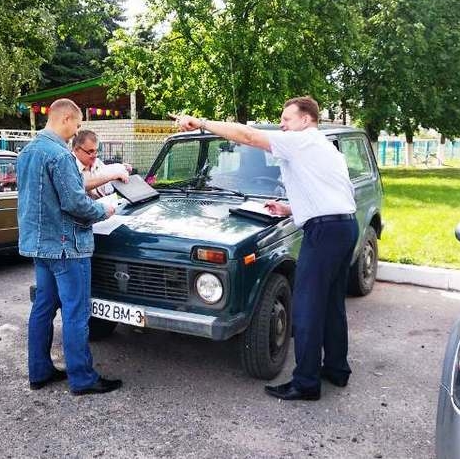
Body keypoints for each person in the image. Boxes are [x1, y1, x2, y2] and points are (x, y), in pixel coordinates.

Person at [176, 96, 358, 401]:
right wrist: (290, 209)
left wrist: (202, 123)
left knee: (307, 308)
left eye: (287, 119)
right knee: (331, 304)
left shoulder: (299, 141)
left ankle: (306, 382)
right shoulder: (326, 147)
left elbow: (247, 135)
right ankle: (336, 369)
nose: (282, 125)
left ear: (305, 119)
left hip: (323, 232)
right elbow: (333, 192)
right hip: (344, 226)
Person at [16, 98, 122, 396]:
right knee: (76, 312)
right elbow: (74, 202)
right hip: (67, 247)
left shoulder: (26, 152)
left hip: (39, 246)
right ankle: (83, 378)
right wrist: (104, 210)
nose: (76, 132)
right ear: (65, 119)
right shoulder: (60, 156)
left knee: (42, 309)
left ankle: (39, 371)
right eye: (76, 126)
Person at [71, 130, 132, 199]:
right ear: (76, 150)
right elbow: (77, 186)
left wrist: (123, 167)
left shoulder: (96, 162)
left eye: (96, 151)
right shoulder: (69, 166)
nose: (94, 156)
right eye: (90, 151)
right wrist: (111, 176)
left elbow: (107, 171)